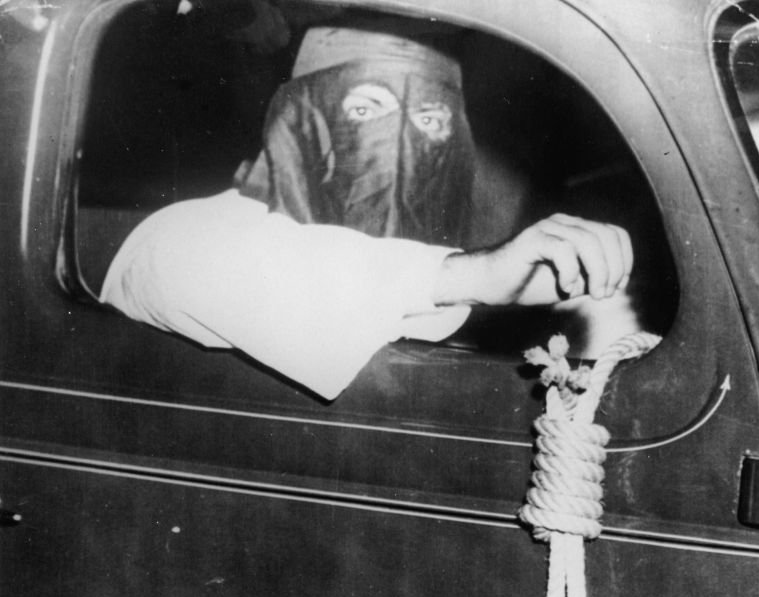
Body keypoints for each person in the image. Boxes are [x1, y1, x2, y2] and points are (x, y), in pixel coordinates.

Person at [101, 24, 634, 400]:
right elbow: (222, 270)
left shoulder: (454, 257)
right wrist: (480, 274)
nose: (399, 148)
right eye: (363, 110)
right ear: (301, 125)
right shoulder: (190, 237)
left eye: (430, 121)